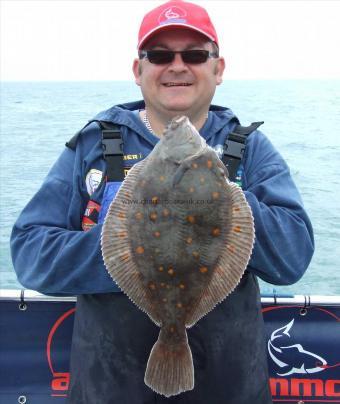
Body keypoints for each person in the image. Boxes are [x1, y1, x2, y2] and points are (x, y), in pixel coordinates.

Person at [10, 1, 314, 403]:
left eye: (193, 54)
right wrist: (131, 243)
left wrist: (221, 202)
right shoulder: (93, 146)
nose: (176, 66)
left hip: (229, 387)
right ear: (139, 71)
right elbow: (31, 256)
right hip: (108, 388)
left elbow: (292, 258)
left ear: (218, 69)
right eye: (159, 55)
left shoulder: (251, 149)